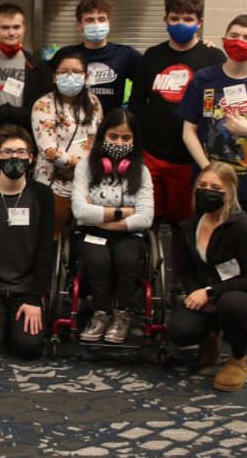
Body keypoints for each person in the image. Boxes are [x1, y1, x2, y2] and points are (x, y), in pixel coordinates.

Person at [129, 0, 225, 276]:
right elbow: (136, 104)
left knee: (184, 223)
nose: (180, 23)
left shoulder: (212, 56)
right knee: (149, 220)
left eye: (188, 18)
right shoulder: (152, 56)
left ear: (199, 22)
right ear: (165, 20)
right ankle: (147, 276)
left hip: (189, 159)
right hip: (152, 154)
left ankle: (181, 282)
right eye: (175, 18)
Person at [168, 162, 247, 392]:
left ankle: (238, 360)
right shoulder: (190, 225)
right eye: (202, 185)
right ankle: (211, 338)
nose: (207, 190)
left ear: (229, 192)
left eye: (215, 186)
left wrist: (211, 293)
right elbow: (186, 273)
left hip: (245, 301)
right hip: (208, 301)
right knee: (180, 330)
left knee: (231, 303)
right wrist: (198, 293)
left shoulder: (241, 227)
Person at [179, 14, 247, 231]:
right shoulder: (203, 78)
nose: (240, 41)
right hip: (207, 183)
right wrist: (209, 169)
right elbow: (188, 132)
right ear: (224, 40)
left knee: (242, 244)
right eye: (234, 35)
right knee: (205, 241)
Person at [0, 125, 53, 360]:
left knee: (28, 347)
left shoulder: (43, 195)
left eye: (21, 152)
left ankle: (11, 323)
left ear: (31, 158)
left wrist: (34, 298)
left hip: (24, 291)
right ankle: (0, 320)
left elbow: (46, 250)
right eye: (7, 152)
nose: (14, 157)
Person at [70, 108, 154, 344]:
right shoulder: (85, 167)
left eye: (126, 138)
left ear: (134, 141)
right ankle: (100, 313)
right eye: (113, 136)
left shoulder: (142, 172)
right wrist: (125, 212)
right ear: (103, 136)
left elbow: (146, 218)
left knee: (126, 258)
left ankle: (121, 314)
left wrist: (101, 217)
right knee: (98, 259)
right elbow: (80, 212)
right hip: (91, 235)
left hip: (128, 236)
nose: (119, 142)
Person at [0, 3, 52, 181]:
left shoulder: (37, 66)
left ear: (24, 28)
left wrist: (11, 112)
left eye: (16, 27)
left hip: (26, 152)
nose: (11, 32)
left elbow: (44, 112)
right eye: (5, 27)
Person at [32, 50, 103, 236]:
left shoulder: (94, 102)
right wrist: (83, 165)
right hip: (54, 185)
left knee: (87, 239)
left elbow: (100, 139)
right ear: (54, 77)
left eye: (77, 72)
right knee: (53, 237)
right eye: (63, 72)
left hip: (88, 185)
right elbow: (49, 151)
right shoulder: (43, 105)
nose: (70, 76)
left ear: (86, 76)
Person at [51, 0, 141, 113]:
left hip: (111, 126)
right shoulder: (66, 55)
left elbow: (145, 85)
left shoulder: (126, 55)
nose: (96, 24)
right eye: (90, 20)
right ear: (79, 25)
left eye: (101, 19)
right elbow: (48, 86)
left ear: (109, 22)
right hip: (73, 124)